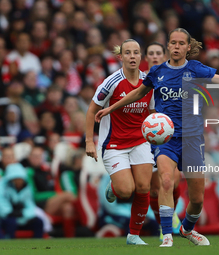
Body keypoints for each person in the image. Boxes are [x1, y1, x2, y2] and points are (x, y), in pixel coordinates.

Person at [95, 28, 219, 247]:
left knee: (197, 199)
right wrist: (111, 108)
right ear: (168, 46)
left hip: (193, 139)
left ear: (188, 47)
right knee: (166, 181)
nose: (176, 47)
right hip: (166, 140)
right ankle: (167, 235)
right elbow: (137, 93)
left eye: (180, 43)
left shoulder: (196, 69)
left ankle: (186, 229)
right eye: (173, 43)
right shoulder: (157, 72)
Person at [85, 39, 155, 245]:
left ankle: (133, 236)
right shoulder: (111, 82)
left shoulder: (148, 82)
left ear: (140, 57)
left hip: (140, 141)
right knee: (126, 190)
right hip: (114, 143)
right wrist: (89, 141)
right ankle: (113, 188)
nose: (132, 56)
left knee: (143, 187)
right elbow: (91, 110)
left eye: (136, 53)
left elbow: (152, 112)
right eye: (128, 53)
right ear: (121, 57)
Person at [144, 42, 182, 237]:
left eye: (159, 53)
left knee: (172, 181)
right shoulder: (142, 80)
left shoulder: (173, 77)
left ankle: (171, 213)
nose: (155, 56)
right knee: (153, 188)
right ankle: (162, 225)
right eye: (151, 53)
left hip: (169, 136)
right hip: (146, 137)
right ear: (147, 57)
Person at [0, 163, 44, 238]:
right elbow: (2, 210)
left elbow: (30, 205)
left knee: (38, 222)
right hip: (2, 218)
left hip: (22, 217)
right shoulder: (0, 187)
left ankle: (37, 246)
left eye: (20, 178)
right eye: (16, 179)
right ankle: (8, 244)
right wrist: (16, 213)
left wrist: (24, 214)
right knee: (11, 222)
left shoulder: (26, 187)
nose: (19, 181)